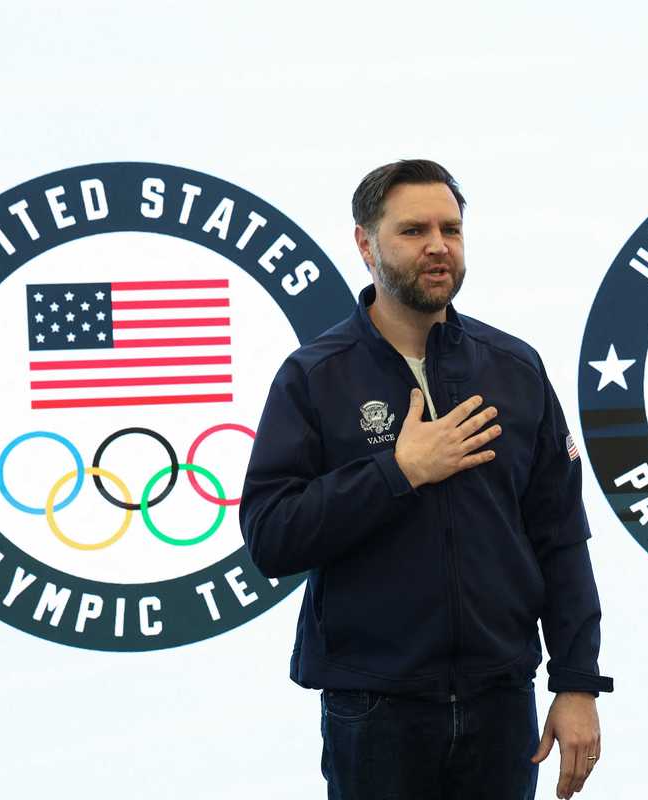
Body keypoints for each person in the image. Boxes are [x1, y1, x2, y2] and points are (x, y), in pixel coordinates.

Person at [239, 159, 613, 799]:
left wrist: (576, 682)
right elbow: (272, 536)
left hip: (502, 705)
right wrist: (398, 471)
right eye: (414, 230)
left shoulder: (515, 368)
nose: (439, 245)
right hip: (375, 708)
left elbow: (560, 539)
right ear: (365, 244)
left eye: (452, 229)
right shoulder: (315, 376)